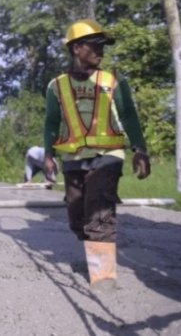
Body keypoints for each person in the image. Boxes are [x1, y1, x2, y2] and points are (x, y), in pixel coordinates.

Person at [43, 19, 151, 292]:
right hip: (73, 159)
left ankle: (103, 278)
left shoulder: (113, 80)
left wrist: (140, 149)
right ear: (78, 48)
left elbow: (128, 115)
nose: (101, 52)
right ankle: (90, 237)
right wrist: (47, 155)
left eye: (103, 46)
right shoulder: (57, 86)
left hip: (108, 155)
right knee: (76, 213)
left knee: (100, 208)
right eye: (95, 46)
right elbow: (51, 123)